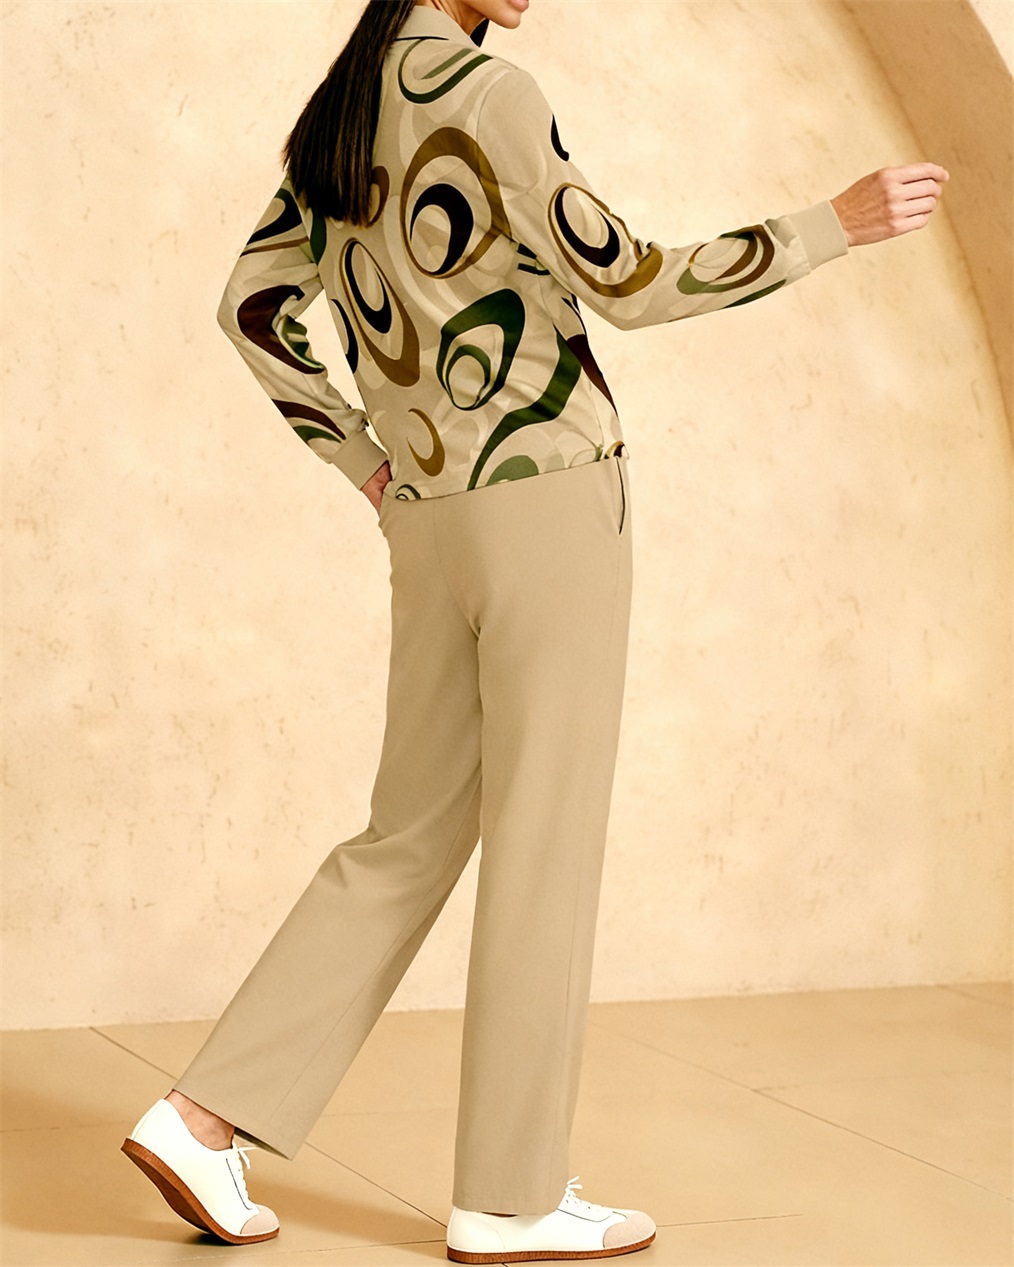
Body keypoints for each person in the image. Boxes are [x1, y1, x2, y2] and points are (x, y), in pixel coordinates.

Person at [119, 0, 948, 1259]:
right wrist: (833, 222)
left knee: (405, 837)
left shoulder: (344, 110)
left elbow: (251, 306)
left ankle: (200, 1118)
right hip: (550, 501)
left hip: (429, 518)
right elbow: (632, 285)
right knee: (543, 841)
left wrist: (366, 460)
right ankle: (508, 1197)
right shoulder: (490, 95)